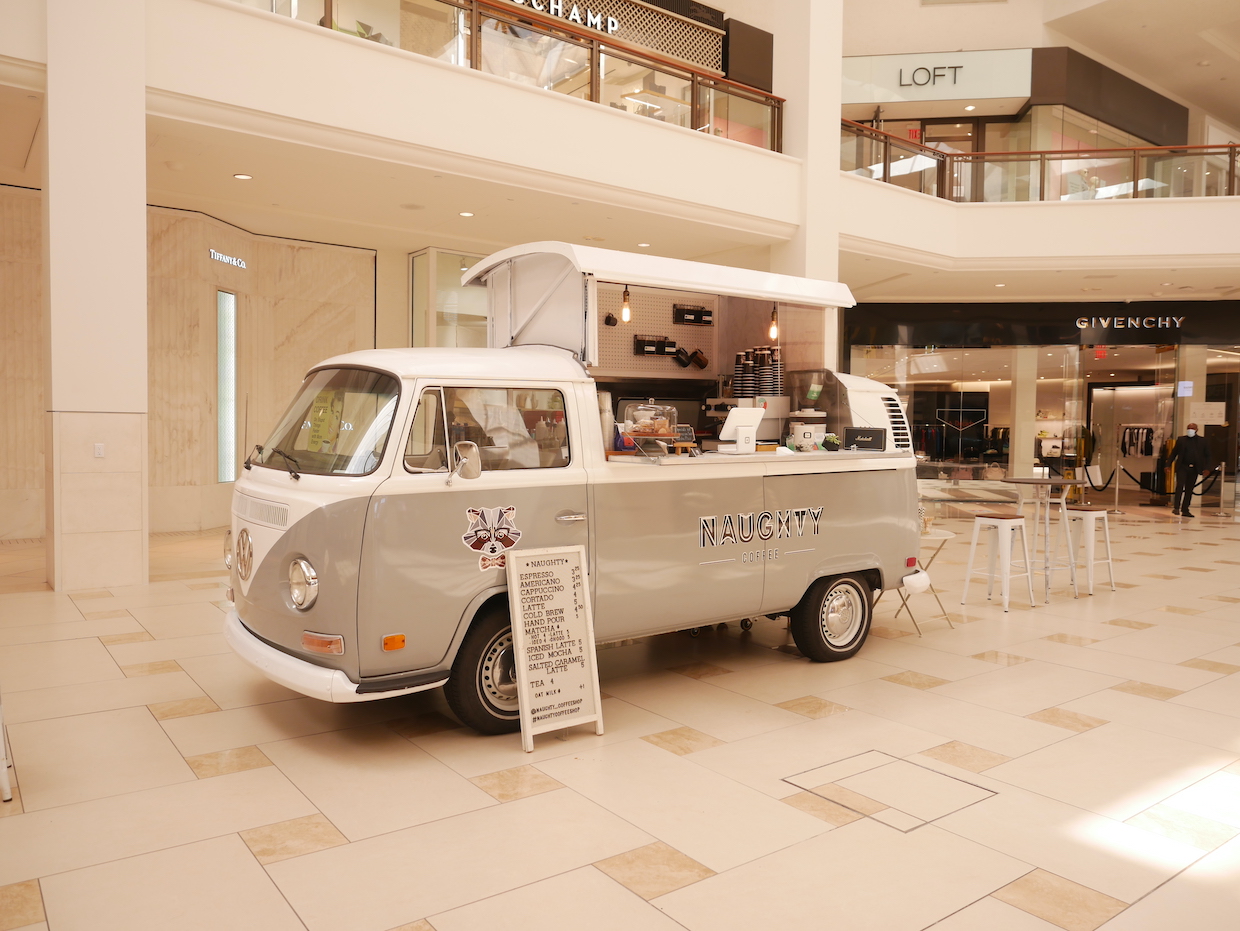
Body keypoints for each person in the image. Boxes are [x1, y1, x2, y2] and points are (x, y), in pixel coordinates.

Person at [1167, 423, 1218, 518]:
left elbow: (1208, 455)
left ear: (1196, 429)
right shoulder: (1181, 440)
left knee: (1189, 489)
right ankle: (1176, 507)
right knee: (1179, 486)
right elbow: (1174, 453)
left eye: (1192, 428)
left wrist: (1207, 468)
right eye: (1188, 428)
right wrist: (1168, 465)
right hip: (1182, 467)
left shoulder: (1203, 441)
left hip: (1195, 468)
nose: (1190, 430)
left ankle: (1185, 509)